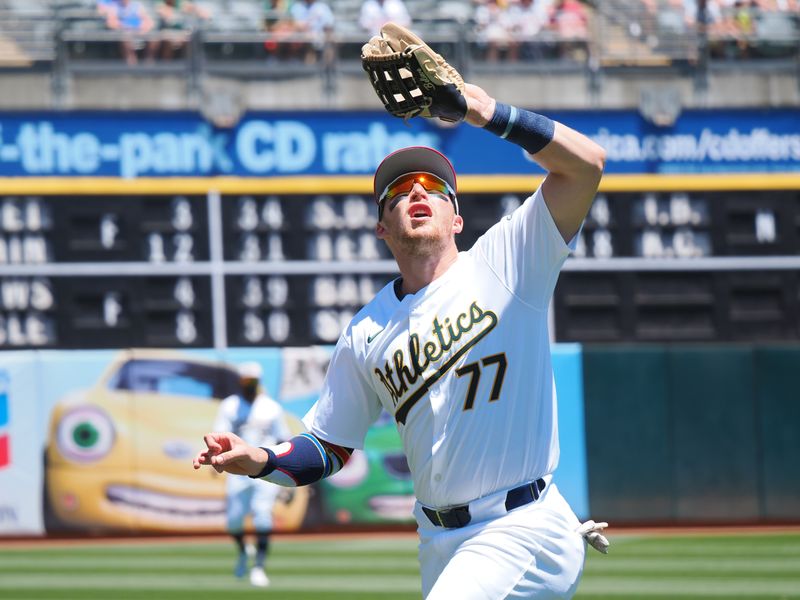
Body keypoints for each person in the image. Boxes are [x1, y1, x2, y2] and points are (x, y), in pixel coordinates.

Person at [194, 39, 608, 597]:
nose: (417, 191)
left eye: (434, 188)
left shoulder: (509, 261)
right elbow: (329, 446)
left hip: (520, 526)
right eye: (397, 192)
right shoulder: (366, 332)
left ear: (456, 219)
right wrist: (261, 459)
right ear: (382, 229)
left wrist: (485, 112)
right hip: (438, 540)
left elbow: (585, 166)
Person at [213, 361, 292, 588]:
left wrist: (285, 475)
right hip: (237, 470)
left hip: (265, 469)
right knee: (234, 522)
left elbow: (282, 439)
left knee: (262, 514)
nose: (249, 385)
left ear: (258, 382)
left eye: (253, 381)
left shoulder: (271, 407)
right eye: (246, 381)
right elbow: (219, 437)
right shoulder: (230, 406)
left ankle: (259, 566)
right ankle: (243, 551)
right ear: (240, 381)